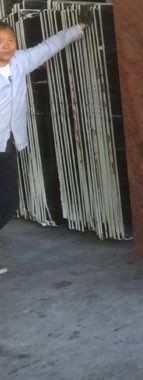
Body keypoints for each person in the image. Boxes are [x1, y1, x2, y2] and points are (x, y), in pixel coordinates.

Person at [0, 15, 89, 250]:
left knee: (8, 201)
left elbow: (49, 46)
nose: (6, 46)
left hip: (7, 144)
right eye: (0, 42)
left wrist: (77, 28)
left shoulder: (20, 61)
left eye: (10, 40)